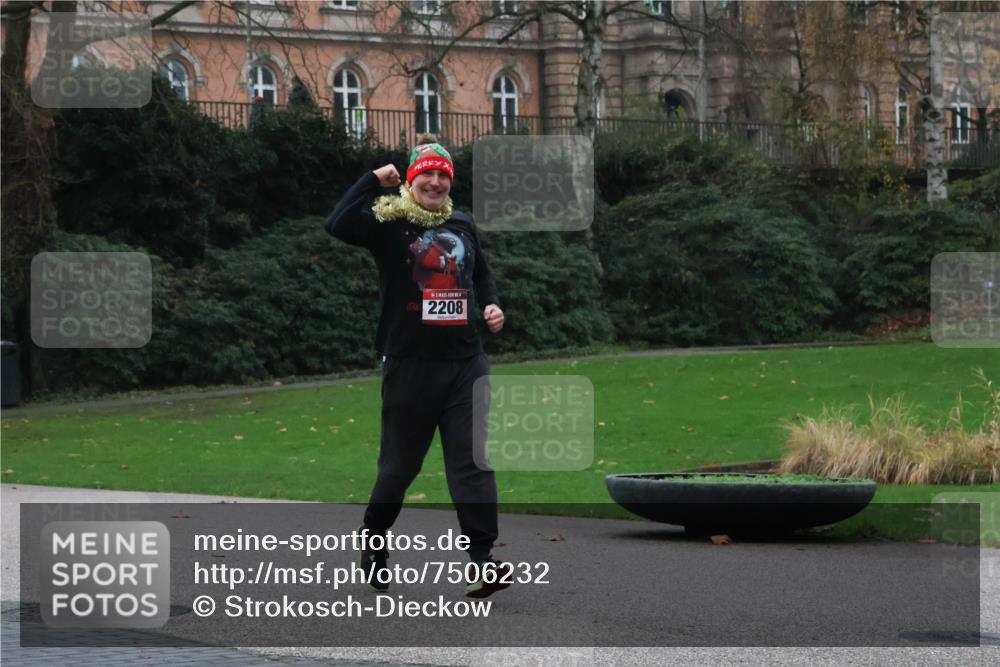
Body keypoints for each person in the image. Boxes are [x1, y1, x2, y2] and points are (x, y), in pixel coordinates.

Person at [324, 135, 510, 599]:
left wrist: (491, 306)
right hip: (409, 364)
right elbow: (337, 224)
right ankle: (373, 539)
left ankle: (484, 560)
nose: (434, 181)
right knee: (398, 470)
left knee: (471, 463)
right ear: (411, 179)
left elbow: (481, 274)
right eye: (425, 173)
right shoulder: (391, 222)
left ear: (450, 182)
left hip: (466, 362)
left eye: (442, 175)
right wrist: (372, 180)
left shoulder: (462, 223)